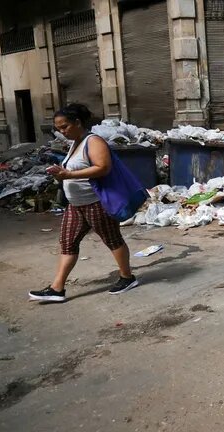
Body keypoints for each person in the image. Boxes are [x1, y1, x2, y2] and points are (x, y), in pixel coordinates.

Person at [28, 104, 138, 302]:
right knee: (68, 243)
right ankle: (57, 288)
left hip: (95, 203)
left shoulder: (93, 141)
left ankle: (127, 277)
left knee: (112, 239)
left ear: (78, 122)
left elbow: (103, 167)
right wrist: (61, 175)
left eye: (65, 126)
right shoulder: (75, 142)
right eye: (58, 128)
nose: (61, 131)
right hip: (76, 205)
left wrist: (69, 174)